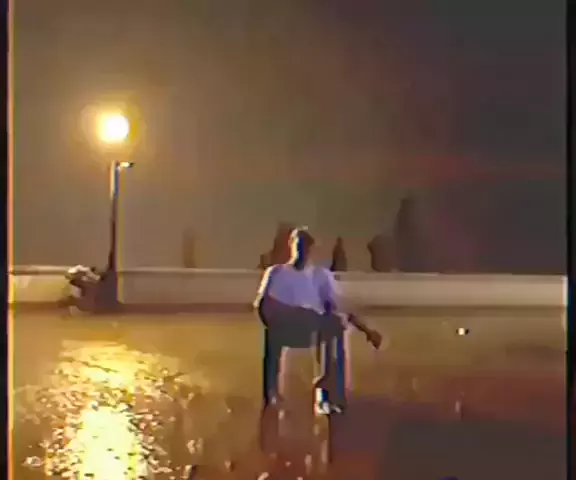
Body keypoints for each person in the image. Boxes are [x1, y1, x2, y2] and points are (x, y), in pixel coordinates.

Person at [254, 227, 382, 413]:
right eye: (299, 245)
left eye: (306, 246)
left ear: (312, 250)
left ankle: (328, 395)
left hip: (312, 328)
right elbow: (262, 304)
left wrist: (367, 330)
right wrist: (281, 318)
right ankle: (272, 393)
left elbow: (339, 307)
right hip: (284, 328)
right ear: (291, 245)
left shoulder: (321, 276)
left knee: (335, 324)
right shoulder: (276, 273)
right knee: (273, 331)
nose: (302, 250)